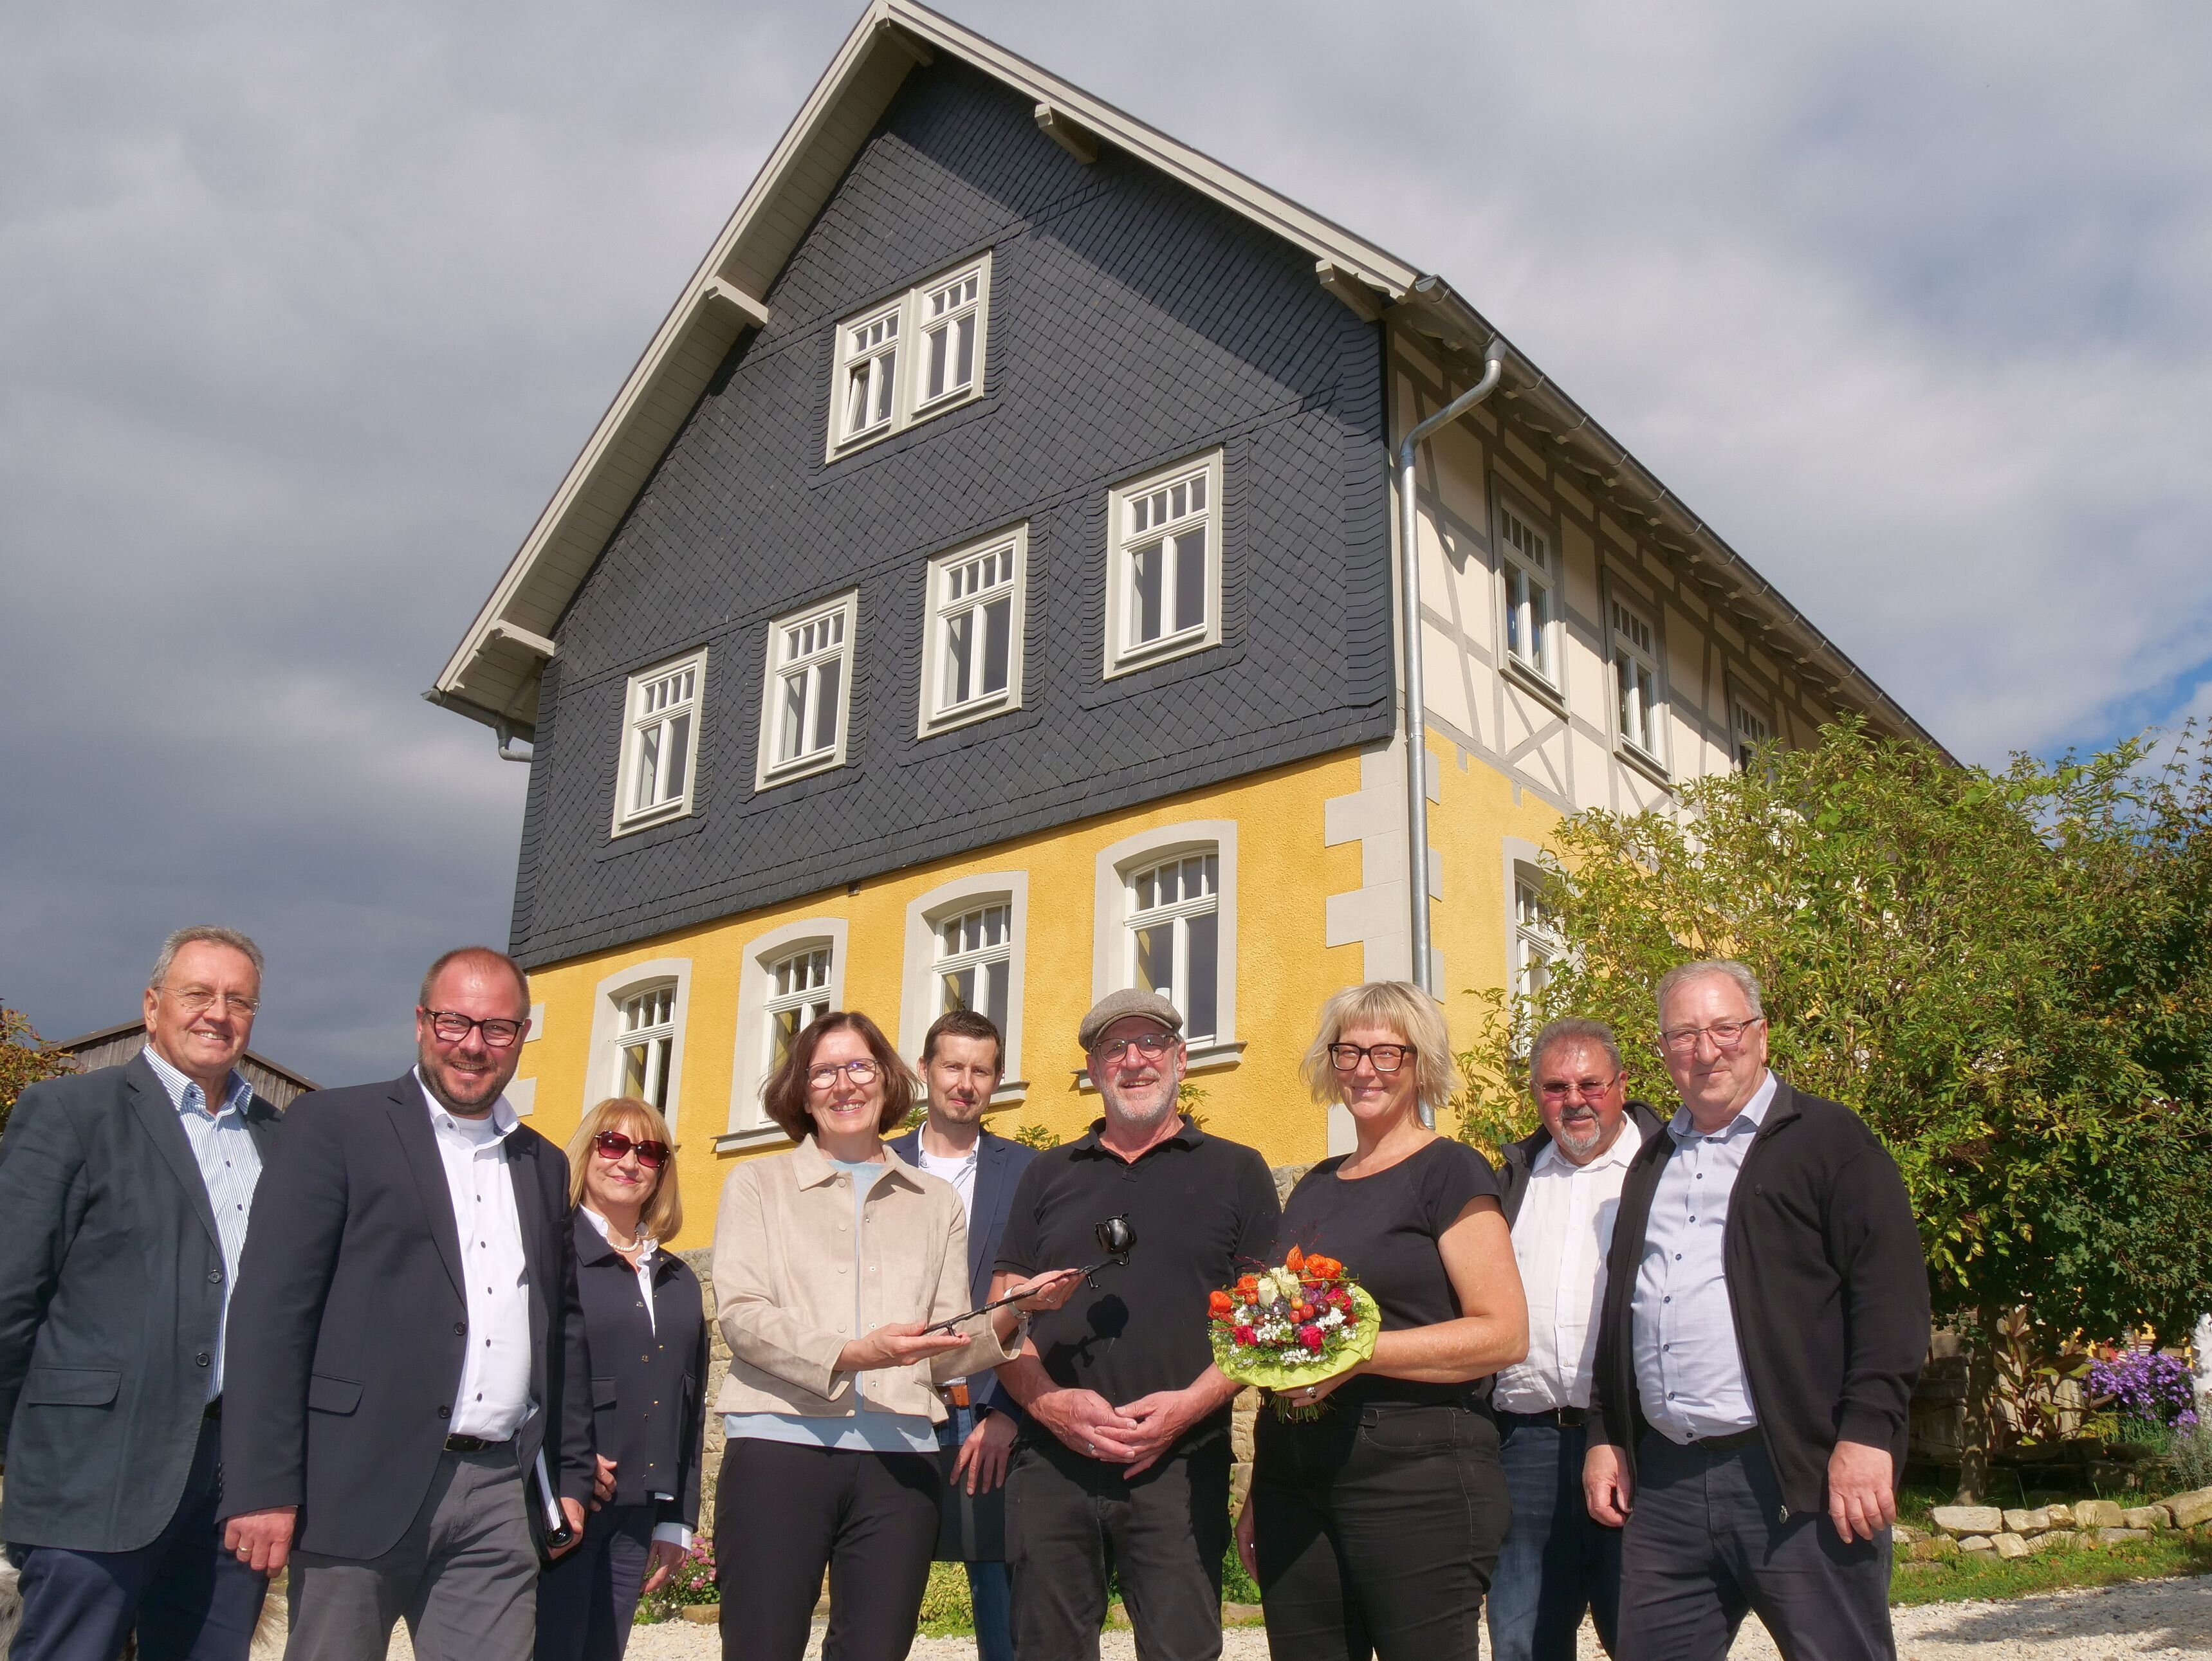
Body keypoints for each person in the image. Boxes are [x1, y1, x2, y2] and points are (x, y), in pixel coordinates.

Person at [219, 946, 596, 1661]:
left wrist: (570, 1475)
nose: (473, 1045)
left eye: (498, 1028)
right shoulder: (336, 1126)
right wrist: (263, 1483)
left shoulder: (542, 1164)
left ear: (521, 1036)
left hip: (496, 1491)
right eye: (455, 1021)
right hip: (355, 1480)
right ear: (421, 1022)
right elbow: (272, 1313)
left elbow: (562, 1329)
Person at [1583, 961, 1931, 1661]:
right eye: (1683, 1034)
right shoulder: (1651, 1162)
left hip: (1795, 1472)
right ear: (1663, 1051)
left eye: (1724, 1027)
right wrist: (1604, 1431)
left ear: (1761, 1035)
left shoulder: (1831, 1141)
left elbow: (1891, 1297)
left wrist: (1867, 1432)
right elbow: (1623, 1313)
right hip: (1670, 1481)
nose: (1706, 1049)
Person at [709, 1010, 1078, 1661]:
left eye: (860, 1066)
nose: (844, 1084)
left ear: (889, 1079)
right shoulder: (755, 1184)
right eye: (824, 1069)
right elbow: (742, 1315)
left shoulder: (935, 1200)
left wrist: (1018, 1309)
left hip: (900, 1461)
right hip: (779, 1448)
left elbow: (945, 1346)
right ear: (801, 1086)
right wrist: (852, 1354)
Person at [0, 928, 279, 1661]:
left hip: (231, 1486)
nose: (217, 1012)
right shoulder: (69, 1114)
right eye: (198, 993)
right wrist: (25, 1450)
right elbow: (9, 1298)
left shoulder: (279, 1139)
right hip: (92, 1474)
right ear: (153, 1006)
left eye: (238, 998)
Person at [1233, 981, 1527, 1661]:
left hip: (1416, 1474)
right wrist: (1258, 1488)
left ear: (1420, 1062)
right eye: (1349, 1051)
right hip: (1295, 1476)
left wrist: (1358, 1354)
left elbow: (1504, 1331)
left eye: (1386, 1052)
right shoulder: (1316, 1184)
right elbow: (1289, 1346)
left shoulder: (1449, 1170)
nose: (1365, 1068)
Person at [988, 989, 1283, 1661]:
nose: (1134, 1059)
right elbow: (999, 1315)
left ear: (1181, 1059)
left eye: (1151, 1043)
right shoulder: (1047, 1174)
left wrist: (1187, 1408)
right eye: (1114, 1047)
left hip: (1179, 1464)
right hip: (1053, 1465)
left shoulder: (1237, 1170)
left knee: (1182, 1651)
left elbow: (1264, 1321)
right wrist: (1048, 1402)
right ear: (1093, 1070)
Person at [1487, 1018, 1663, 1661]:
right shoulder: (1511, 1178)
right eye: (1556, 1086)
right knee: (1521, 1641)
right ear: (1535, 1093)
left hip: (1639, 1445)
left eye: (1591, 1083)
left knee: (1647, 1638)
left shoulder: (1666, 1166)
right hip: (1525, 1447)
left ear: (1621, 1084)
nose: (1575, 1099)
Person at [884, 1009, 1035, 1661]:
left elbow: (1037, 1304)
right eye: (953, 1065)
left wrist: (1006, 1411)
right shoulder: (876, 1165)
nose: (965, 1082)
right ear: (924, 1070)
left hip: (984, 1415)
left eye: (981, 1069)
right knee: (879, 1592)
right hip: (890, 1413)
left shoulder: (1030, 1171)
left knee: (1001, 1593)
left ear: (996, 1080)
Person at [536, 1097, 707, 1661]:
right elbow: (531, 1373)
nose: (629, 1161)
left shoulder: (678, 1279)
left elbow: (689, 1403)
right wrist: (568, 1459)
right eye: (613, 1144)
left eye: (649, 1151)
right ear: (587, 1153)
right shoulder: (551, 1253)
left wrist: (678, 1520)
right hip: (563, 1503)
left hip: (637, 1509)